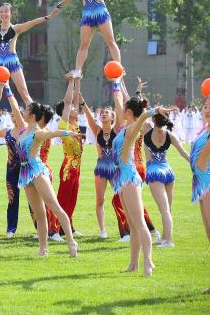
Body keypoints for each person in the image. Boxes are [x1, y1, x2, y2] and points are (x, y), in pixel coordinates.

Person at [0, 81, 79, 257]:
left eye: (27, 110)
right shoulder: (23, 129)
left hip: (37, 171)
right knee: (39, 214)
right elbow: (15, 108)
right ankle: (43, 249)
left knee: (55, 207)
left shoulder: (37, 132)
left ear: (32, 115)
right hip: (25, 174)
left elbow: (52, 133)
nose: (23, 112)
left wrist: (68, 133)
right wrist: (7, 88)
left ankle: (71, 241)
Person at [110, 77, 172, 276]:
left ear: (128, 111)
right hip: (121, 178)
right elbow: (123, 101)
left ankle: (148, 262)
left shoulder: (132, 128)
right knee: (132, 224)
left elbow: (143, 115)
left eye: (124, 108)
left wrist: (155, 111)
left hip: (129, 177)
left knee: (139, 223)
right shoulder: (125, 127)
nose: (120, 110)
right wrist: (119, 84)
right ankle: (133, 264)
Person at [143, 113, 189, 247]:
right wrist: (196, 165)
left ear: (153, 119)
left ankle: (169, 240)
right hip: (168, 171)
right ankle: (164, 237)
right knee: (168, 209)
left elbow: (142, 112)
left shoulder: (146, 129)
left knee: (164, 210)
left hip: (154, 172)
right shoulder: (170, 134)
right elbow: (183, 152)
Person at [80, 94, 120, 239]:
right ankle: (103, 230)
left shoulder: (117, 130)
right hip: (101, 167)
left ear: (112, 117)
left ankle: (125, 227)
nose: (103, 114)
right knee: (100, 199)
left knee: (121, 197)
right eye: (102, 113)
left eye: (106, 113)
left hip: (114, 168)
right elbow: (88, 115)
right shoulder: (97, 130)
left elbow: (120, 109)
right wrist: (82, 102)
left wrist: (117, 90)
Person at [51, 74, 84, 237]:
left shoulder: (75, 123)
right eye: (71, 108)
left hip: (77, 167)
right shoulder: (64, 125)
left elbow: (75, 99)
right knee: (63, 199)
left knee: (72, 199)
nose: (75, 109)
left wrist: (78, 80)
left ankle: (67, 227)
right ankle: (54, 229)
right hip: (68, 167)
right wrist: (71, 82)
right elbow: (69, 102)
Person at [189, 97, 210, 293]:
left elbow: (202, 161)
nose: (207, 109)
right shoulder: (204, 130)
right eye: (205, 106)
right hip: (200, 185)